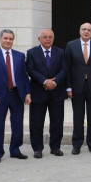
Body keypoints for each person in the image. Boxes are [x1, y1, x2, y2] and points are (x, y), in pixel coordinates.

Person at [0, 29, 32, 163]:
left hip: (17, 94)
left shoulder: (20, 56)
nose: (8, 41)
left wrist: (27, 93)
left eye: (10, 39)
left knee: (17, 123)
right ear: (0, 39)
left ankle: (15, 150)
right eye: (5, 38)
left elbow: (24, 76)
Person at [26, 29, 68, 158]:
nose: (47, 39)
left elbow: (64, 69)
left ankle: (55, 147)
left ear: (53, 39)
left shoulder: (60, 52)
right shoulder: (32, 52)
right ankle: (37, 149)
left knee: (57, 122)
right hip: (38, 92)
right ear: (39, 39)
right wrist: (45, 81)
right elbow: (30, 70)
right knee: (36, 123)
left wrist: (55, 82)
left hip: (57, 92)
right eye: (45, 37)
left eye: (50, 37)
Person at [65, 22, 91, 155]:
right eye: (84, 29)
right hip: (77, 87)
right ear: (80, 31)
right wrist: (68, 87)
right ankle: (77, 144)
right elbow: (67, 68)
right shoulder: (71, 45)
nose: (86, 32)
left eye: (89, 30)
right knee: (78, 117)